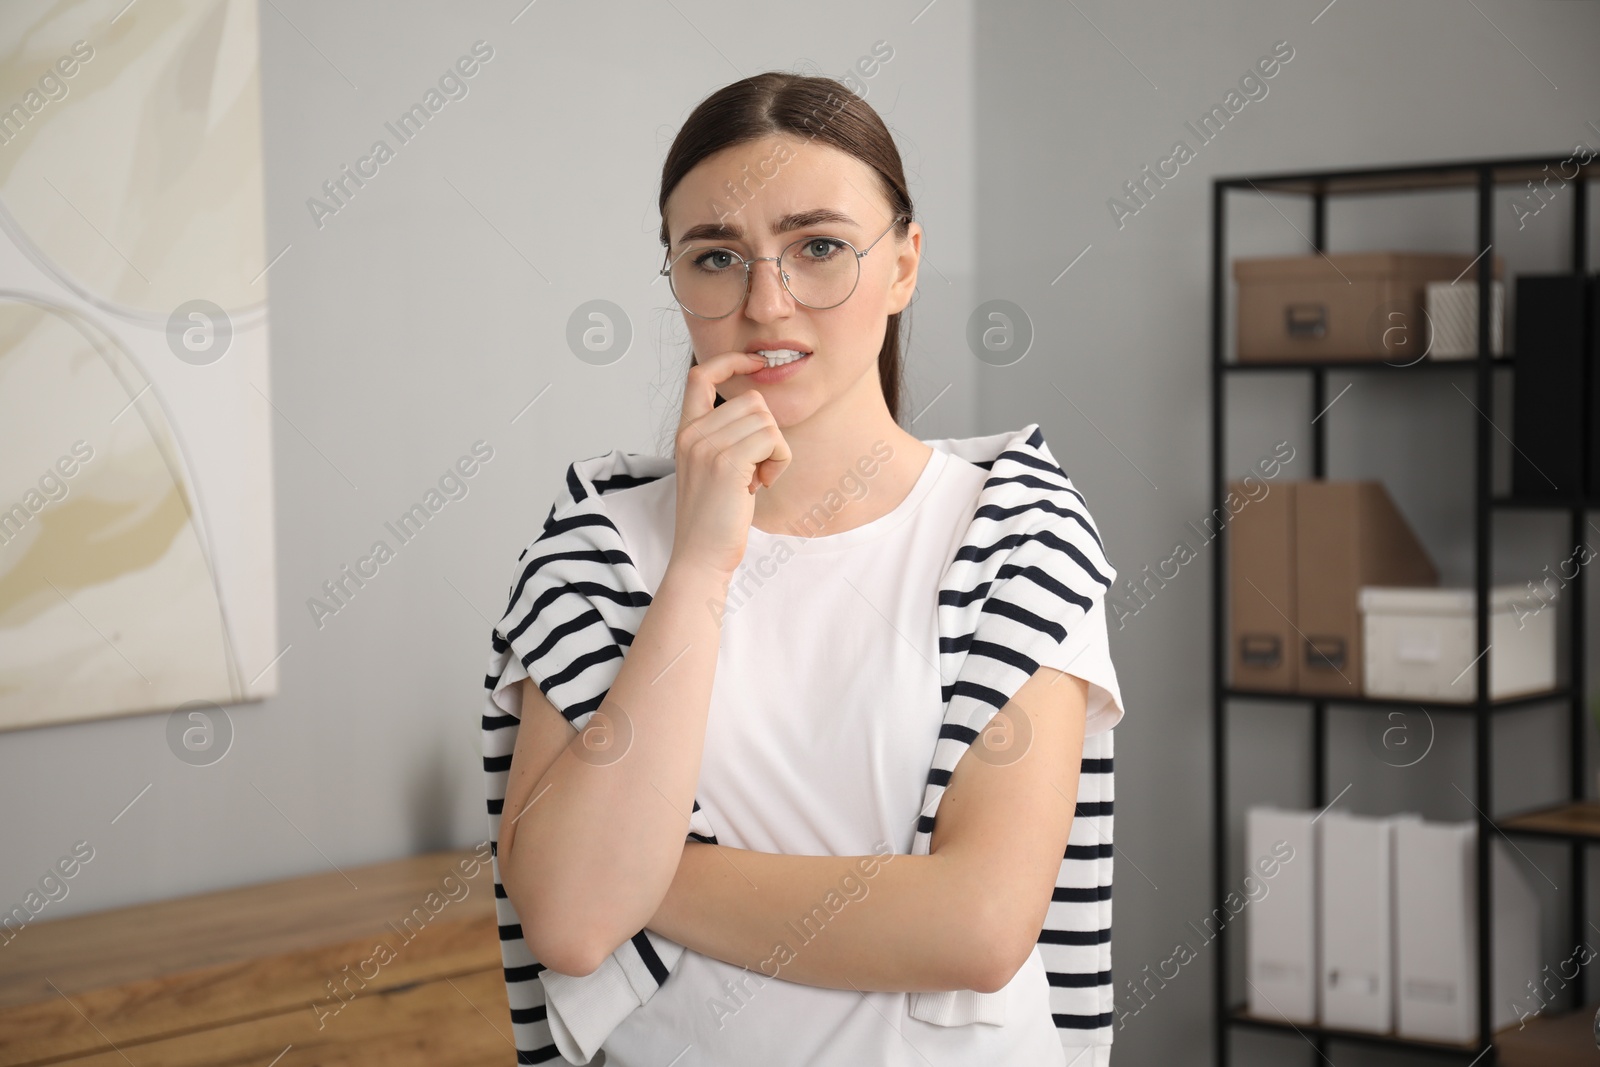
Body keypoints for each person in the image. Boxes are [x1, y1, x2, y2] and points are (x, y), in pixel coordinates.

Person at [483, 71, 1125, 1065]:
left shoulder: (1013, 528)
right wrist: (698, 563)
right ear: (675, 278)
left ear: (904, 265)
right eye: (715, 256)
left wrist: (641, 876)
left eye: (818, 247)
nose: (765, 303)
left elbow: (980, 923)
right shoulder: (596, 550)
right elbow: (569, 923)